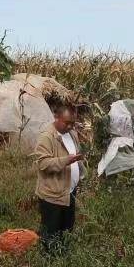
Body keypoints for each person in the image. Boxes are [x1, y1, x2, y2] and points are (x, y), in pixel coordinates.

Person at [33, 102, 85, 253]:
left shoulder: (72, 134)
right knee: (51, 233)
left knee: (66, 229)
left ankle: (62, 261)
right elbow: (43, 164)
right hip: (52, 196)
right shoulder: (47, 137)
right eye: (67, 123)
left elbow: (76, 156)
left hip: (69, 193)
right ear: (56, 117)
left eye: (72, 123)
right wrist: (66, 160)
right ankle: (48, 264)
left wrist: (80, 170)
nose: (70, 126)